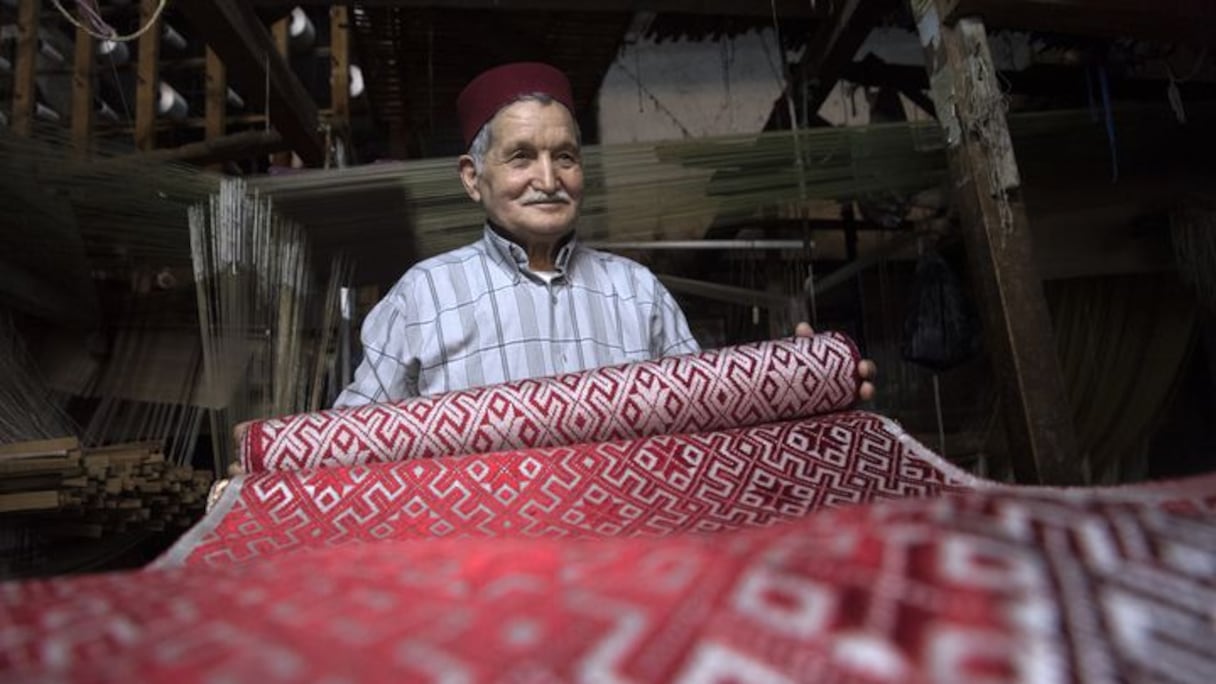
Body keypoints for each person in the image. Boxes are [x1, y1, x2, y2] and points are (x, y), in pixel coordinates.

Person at [335, 62, 874, 408]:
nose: (548, 181)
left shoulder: (638, 292)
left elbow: (703, 418)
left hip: (624, 564)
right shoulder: (424, 296)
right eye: (521, 157)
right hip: (479, 568)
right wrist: (274, 459)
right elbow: (350, 440)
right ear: (473, 178)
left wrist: (798, 390)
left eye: (564, 157)